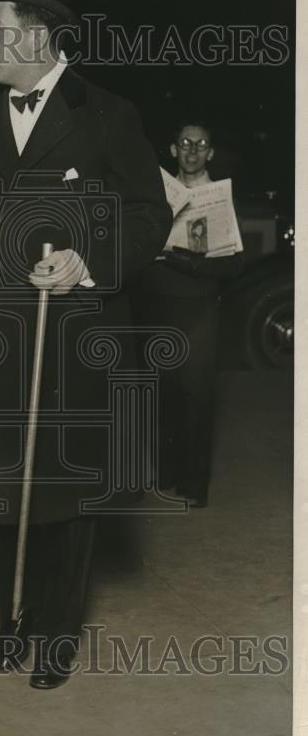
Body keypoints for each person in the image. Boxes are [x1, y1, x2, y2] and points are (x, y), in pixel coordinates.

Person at [0, 0, 172, 690]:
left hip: (76, 338)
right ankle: (15, 609)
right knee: (0, 486)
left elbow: (147, 215)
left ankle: (55, 630)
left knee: (64, 494)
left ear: (37, 34)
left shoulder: (108, 116)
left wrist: (87, 260)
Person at [132, 119, 243, 508]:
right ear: (173, 149)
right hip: (160, 304)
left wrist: (188, 263)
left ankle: (195, 485)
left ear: (211, 153)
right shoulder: (157, 194)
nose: (192, 151)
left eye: (201, 145)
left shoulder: (221, 197)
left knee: (197, 394)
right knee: (162, 392)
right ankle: (166, 474)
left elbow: (232, 266)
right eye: (184, 143)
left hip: (199, 307)